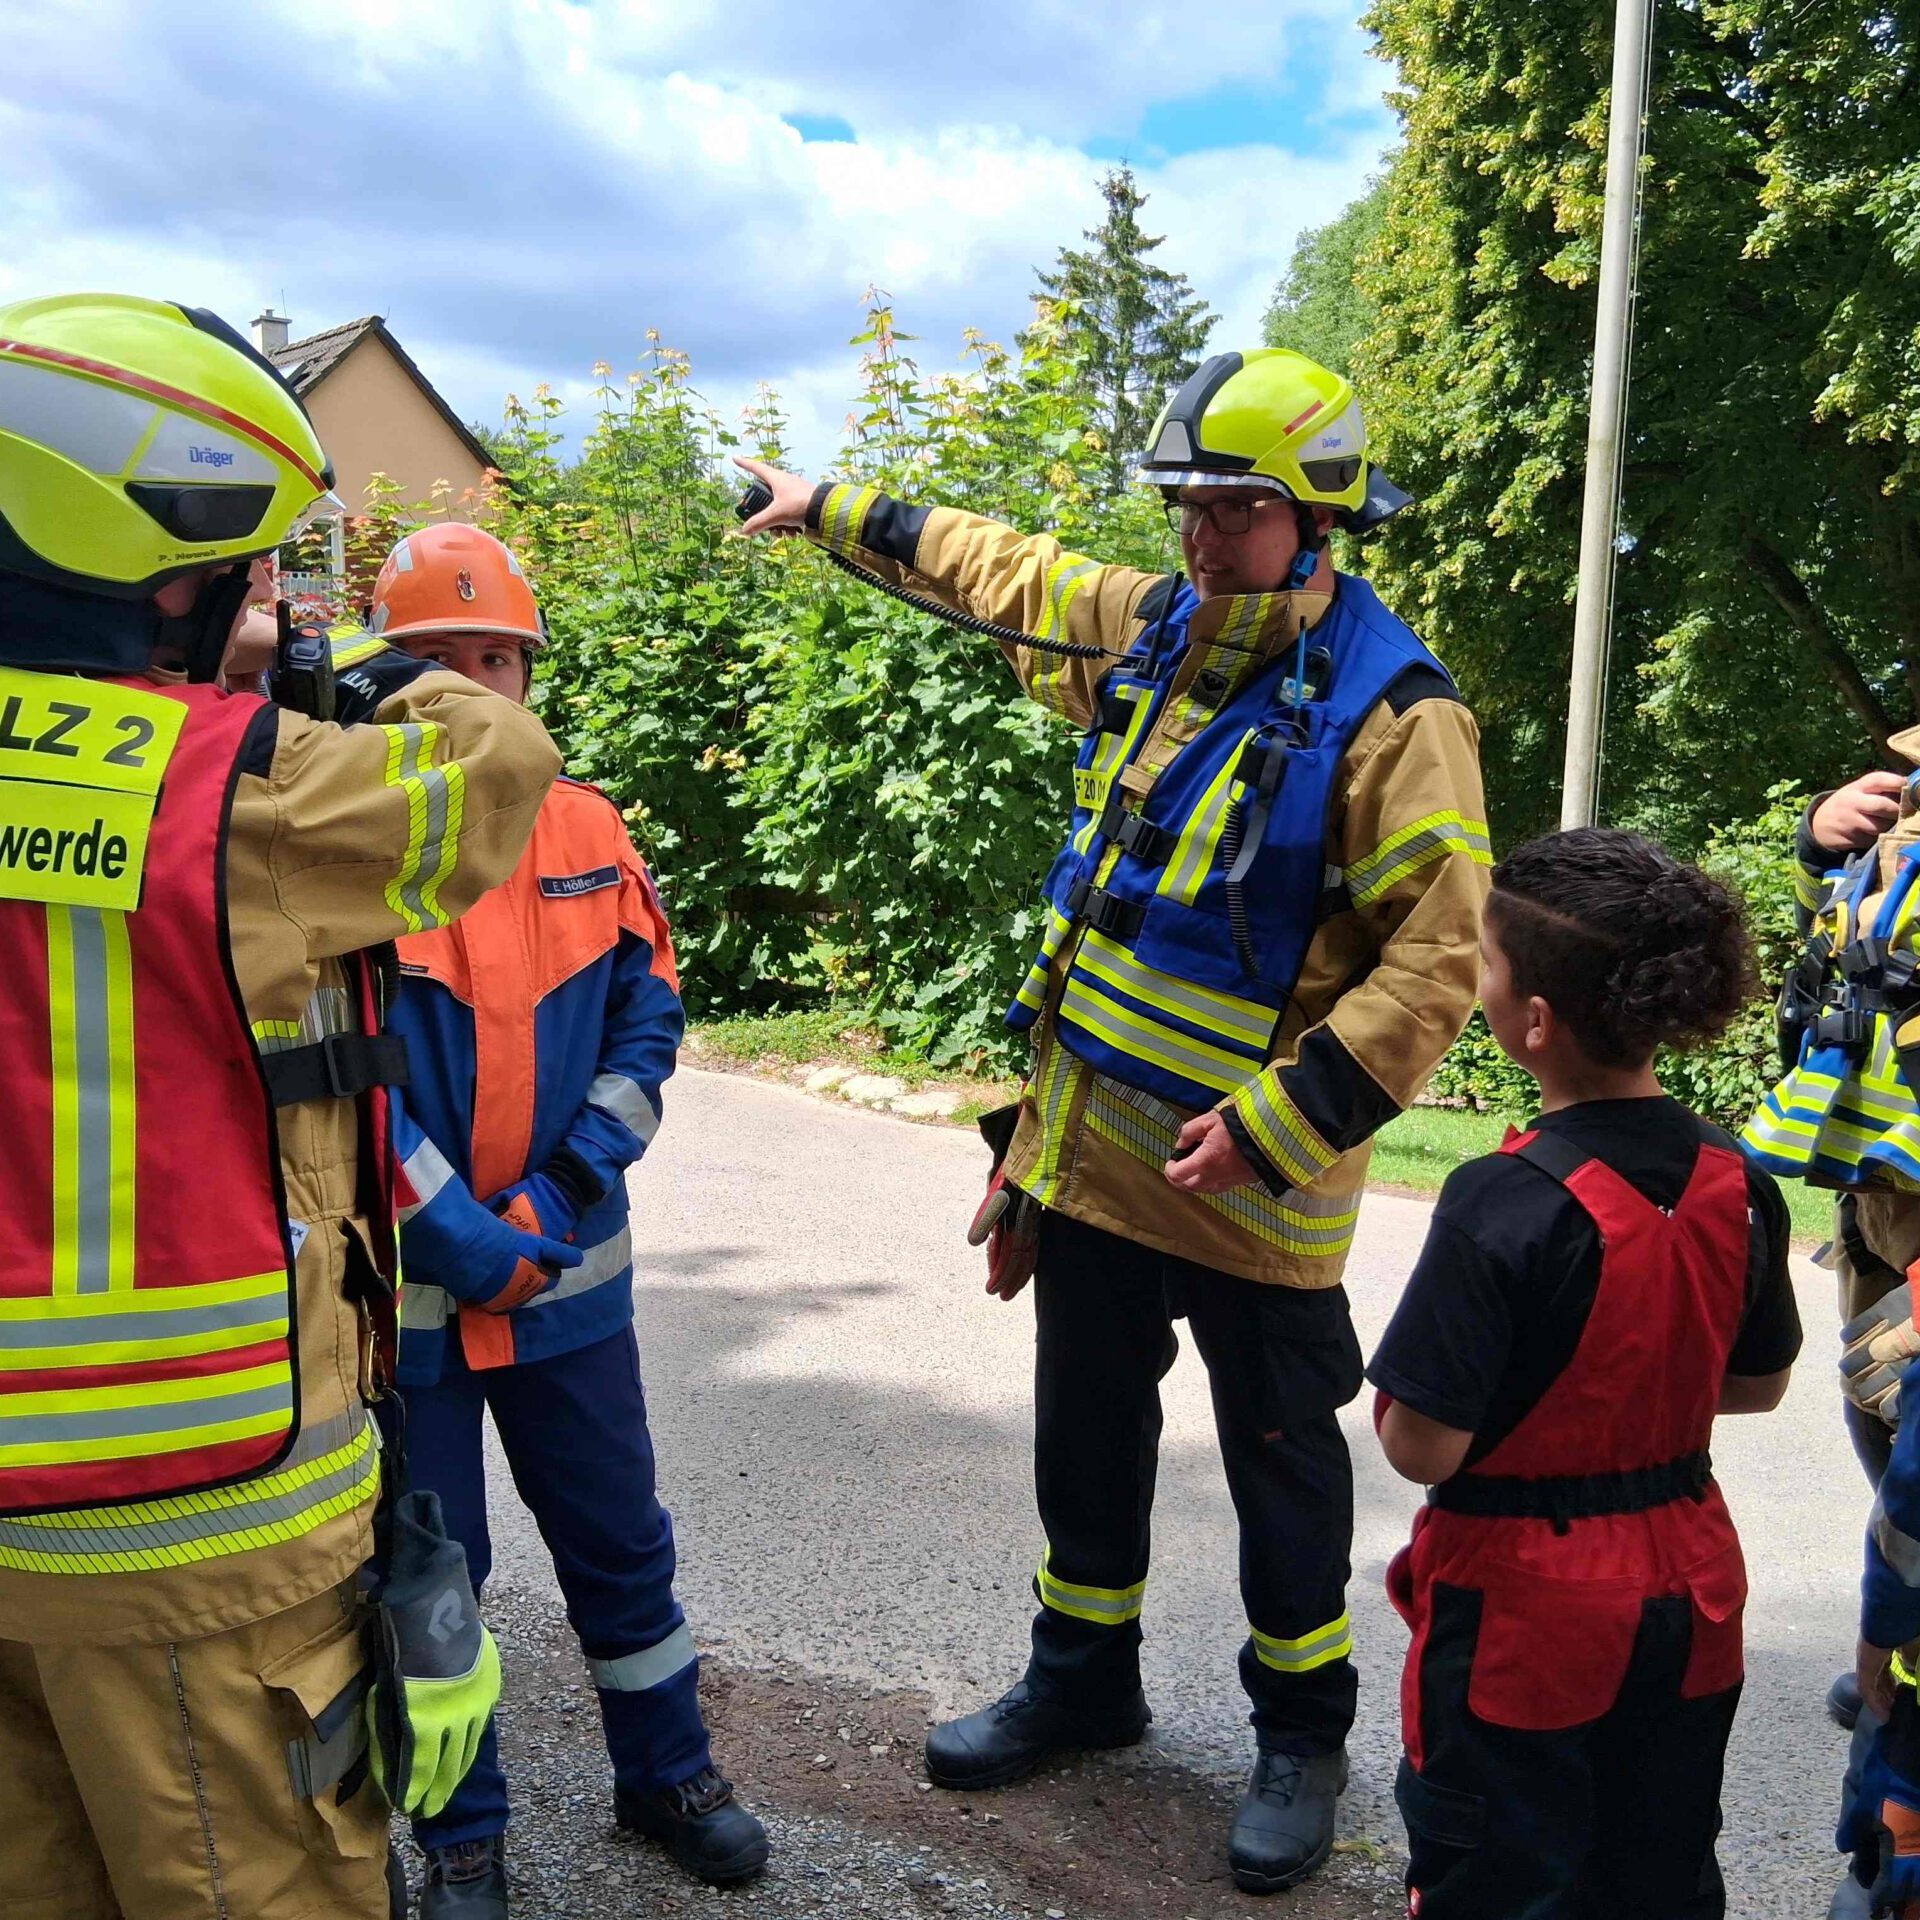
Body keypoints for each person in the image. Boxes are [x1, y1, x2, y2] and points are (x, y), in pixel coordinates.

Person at [739, 345, 1491, 1891]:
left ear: (1316, 516)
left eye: (1233, 508)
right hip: (1089, 1146)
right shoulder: (1154, 629)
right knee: (1087, 1421)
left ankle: (1302, 1733)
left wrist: (1291, 1121)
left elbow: (1442, 953)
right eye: (1187, 505)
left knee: (1282, 1453)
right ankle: (1084, 1679)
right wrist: (826, 505)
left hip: (1258, 1175)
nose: (1199, 536)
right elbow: (996, 567)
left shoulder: (1398, 711)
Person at [0, 294, 560, 1918]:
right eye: (251, 567)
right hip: (198, 1549)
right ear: (164, 571)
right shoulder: (234, 787)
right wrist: (348, 663)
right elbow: (494, 764)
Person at [372, 522, 769, 1916]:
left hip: (566, 1286)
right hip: (409, 1313)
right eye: (442, 663)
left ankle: (668, 1775)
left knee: (619, 1540)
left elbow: (648, 1029)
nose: (479, 688)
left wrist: (553, 1197)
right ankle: (459, 1836)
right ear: (390, 680)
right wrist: (454, 1233)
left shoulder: (589, 827)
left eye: (500, 661)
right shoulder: (346, 845)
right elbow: (333, 1089)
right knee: (435, 1582)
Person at [1370, 828, 1801, 1919]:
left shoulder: (1498, 1200)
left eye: (1486, 960)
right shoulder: (1733, 1177)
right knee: (1656, 1861)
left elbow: (1425, 1442)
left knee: (1502, 1871)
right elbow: (1756, 1384)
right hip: (1692, 1579)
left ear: (1533, 1022)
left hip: (1528, 1600)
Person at [1744, 759, 1920, 1916]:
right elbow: (1827, 964)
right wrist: (1819, 846)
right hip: (1877, 1201)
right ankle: (1886, 1672)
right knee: (1882, 1451)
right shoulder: (1893, 832)